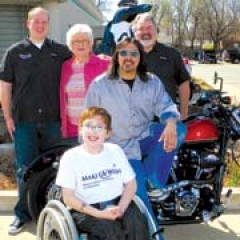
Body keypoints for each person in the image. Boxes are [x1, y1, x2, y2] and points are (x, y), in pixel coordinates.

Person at [84, 37, 187, 240]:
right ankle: (154, 235)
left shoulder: (151, 81)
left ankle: (154, 181)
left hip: (142, 138)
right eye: (124, 53)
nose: (128, 58)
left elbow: (165, 106)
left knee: (180, 130)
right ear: (116, 57)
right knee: (136, 192)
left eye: (134, 53)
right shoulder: (100, 85)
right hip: (116, 148)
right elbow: (88, 122)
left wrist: (171, 123)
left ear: (140, 57)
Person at [0, 6, 71, 234]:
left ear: (48, 24)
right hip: (24, 123)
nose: (40, 25)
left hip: (54, 122)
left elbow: (82, 65)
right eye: (35, 22)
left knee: (58, 168)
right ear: (28, 24)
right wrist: (8, 116)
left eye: (44, 22)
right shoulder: (14, 52)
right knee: (25, 170)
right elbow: (5, 87)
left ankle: (56, 210)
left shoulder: (61, 51)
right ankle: (22, 215)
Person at [55, 107, 149, 240]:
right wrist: (99, 214)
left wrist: (121, 208)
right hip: (86, 210)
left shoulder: (115, 151)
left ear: (108, 133)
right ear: (81, 130)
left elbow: (131, 184)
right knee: (110, 231)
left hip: (118, 203)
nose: (93, 131)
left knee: (137, 225)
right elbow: (68, 198)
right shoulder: (71, 157)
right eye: (88, 126)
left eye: (99, 127)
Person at [132, 13, 191, 120]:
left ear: (156, 31)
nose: (145, 32)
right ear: (135, 33)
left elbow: (184, 83)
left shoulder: (172, 54)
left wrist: (183, 113)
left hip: (166, 121)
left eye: (149, 28)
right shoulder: (125, 55)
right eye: (141, 28)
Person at [60, 24, 110, 143]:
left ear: (91, 43)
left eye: (85, 41)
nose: (81, 44)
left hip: (97, 128)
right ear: (70, 45)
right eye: (76, 41)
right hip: (72, 127)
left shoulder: (104, 64)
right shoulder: (65, 66)